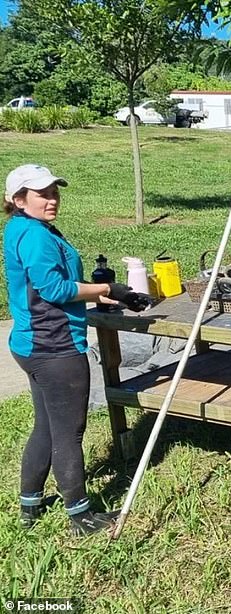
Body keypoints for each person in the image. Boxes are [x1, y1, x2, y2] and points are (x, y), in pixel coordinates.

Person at [3, 164, 150, 536]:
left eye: (54, 192)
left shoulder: (21, 228)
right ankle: (80, 516)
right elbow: (54, 290)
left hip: (30, 344)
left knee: (47, 428)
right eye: (42, 194)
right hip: (55, 347)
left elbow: (51, 286)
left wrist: (111, 291)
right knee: (69, 432)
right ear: (17, 199)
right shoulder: (35, 235)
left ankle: (30, 506)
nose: (52, 199)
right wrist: (103, 291)